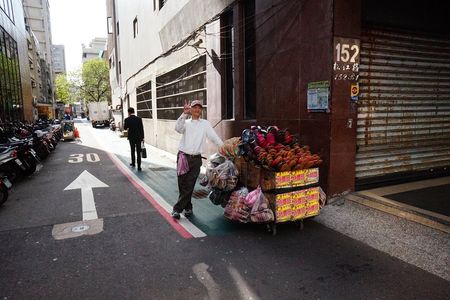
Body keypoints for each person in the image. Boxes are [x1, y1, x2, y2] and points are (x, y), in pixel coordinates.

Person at [172, 100, 223, 219]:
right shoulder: (186, 122)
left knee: (189, 185)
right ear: (191, 109)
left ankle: (177, 209)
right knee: (182, 185)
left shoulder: (205, 124)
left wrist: (225, 148)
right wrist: (184, 114)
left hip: (196, 160)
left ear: (201, 110)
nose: (197, 109)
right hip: (183, 158)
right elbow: (177, 128)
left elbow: (214, 137)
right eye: (194, 107)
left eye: (199, 108)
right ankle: (188, 207)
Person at [124, 107, 144, 171]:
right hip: (138, 137)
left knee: (132, 150)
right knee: (138, 152)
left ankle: (133, 163)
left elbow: (125, 128)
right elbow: (141, 129)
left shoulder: (127, 119)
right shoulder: (139, 119)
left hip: (131, 137)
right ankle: (139, 166)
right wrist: (142, 137)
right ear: (134, 111)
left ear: (129, 112)